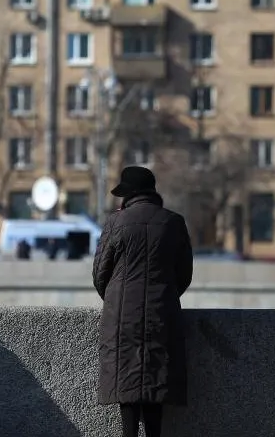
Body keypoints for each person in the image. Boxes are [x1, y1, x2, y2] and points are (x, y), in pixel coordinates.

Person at [92, 166, 194, 437]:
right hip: (162, 313)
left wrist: (116, 299)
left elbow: (100, 273)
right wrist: (164, 296)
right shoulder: (173, 222)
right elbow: (184, 274)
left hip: (122, 318)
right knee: (156, 379)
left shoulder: (116, 223)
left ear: (129, 195)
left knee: (126, 377)